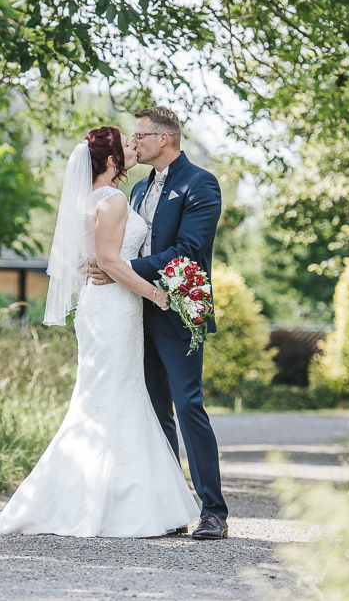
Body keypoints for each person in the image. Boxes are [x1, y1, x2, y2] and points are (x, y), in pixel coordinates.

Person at [0, 125, 200, 537]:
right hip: (113, 307)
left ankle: (109, 499)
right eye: (126, 144)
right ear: (110, 160)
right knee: (113, 396)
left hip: (103, 305)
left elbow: (94, 260)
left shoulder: (91, 200)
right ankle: (114, 507)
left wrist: (109, 271)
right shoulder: (116, 198)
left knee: (109, 397)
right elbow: (111, 262)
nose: (133, 146)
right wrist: (158, 296)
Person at [88, 106, 228, 540]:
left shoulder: (200, 184)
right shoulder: (137, 190)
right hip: (133, 312)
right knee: (152, 410)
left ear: (164, 138)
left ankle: (213, 512)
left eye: (140, 136)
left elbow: (187, 250)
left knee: (188, 405)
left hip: (177, 308)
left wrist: (120, 267)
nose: (134, 143)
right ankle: (168, 506)